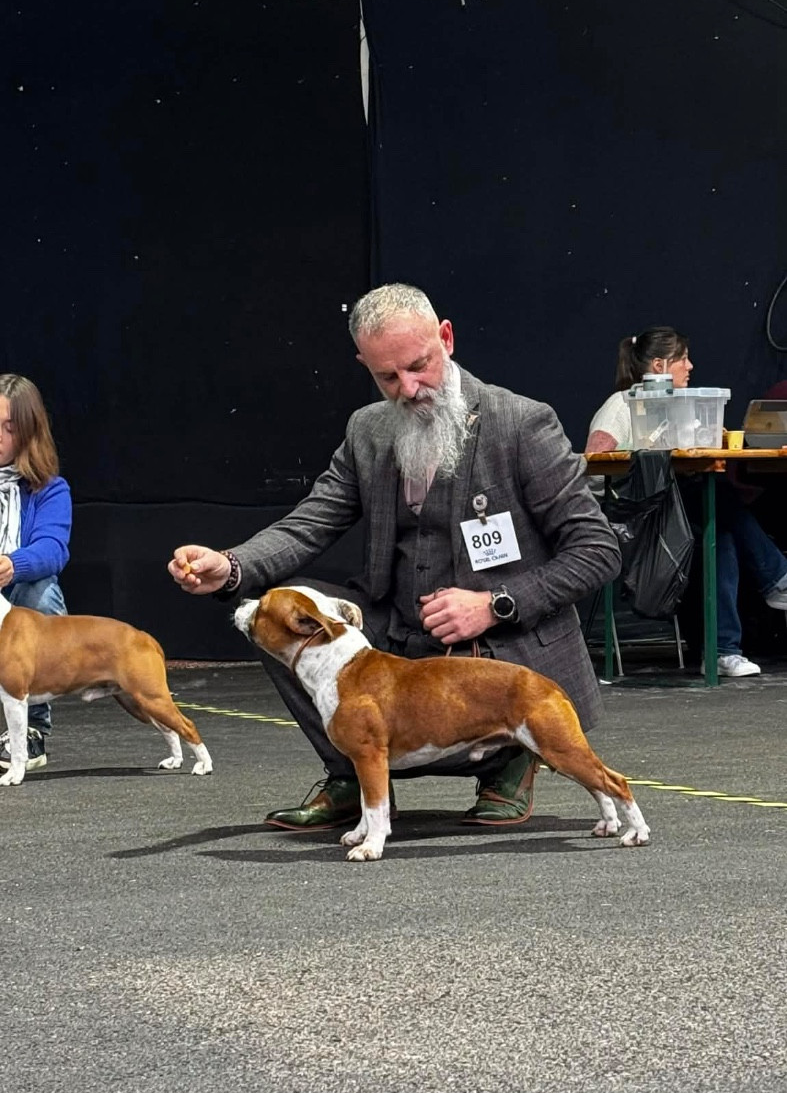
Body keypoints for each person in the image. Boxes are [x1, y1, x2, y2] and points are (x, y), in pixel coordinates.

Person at [167, 283, 621, 832]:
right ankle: (349, 769)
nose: (408, 388)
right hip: (399, 628)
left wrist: (496, 603)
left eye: (419, 366)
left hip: (496, 639)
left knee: (496, 675)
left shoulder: (521, 424)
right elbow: (311, 522)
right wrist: (231, 565)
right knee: (274, 618)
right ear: (365, 365)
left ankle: (511, 760)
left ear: (446, 338)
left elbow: (598, 550)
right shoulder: (367, 430)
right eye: (388, 376)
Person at [587, 328, 787, 677]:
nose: (690, 366)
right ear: (661, 364)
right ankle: (777, 581)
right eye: (683, 359)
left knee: (718, 529)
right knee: (719, 507)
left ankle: (724, 651)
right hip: (631, 522)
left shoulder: (673, 409)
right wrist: (641, 472)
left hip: (665, 515)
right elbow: (592, 465)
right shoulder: (622, 405)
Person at [0, 374, 72, 770]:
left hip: (14, 601)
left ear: (28, 434)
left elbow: (52, 550)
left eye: (9, 429)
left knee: (39, 591)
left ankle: (31, 732)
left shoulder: (50, 489)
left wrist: (13, 565)